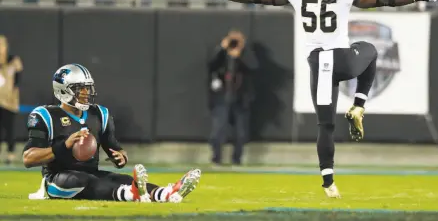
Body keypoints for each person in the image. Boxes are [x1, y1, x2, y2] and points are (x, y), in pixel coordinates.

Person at [206, 0, 438, 198]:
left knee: (325, 126)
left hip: (318, 64)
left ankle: (328, 181)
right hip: (342, 59)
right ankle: (359, 104)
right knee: (370, 50)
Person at [24, 64, 201, 202]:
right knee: (81, 180)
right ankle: (132, 194)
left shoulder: (99, 114)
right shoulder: (45, 116)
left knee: (119, 178)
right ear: (63, 90)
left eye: (87, 87)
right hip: (57, 179)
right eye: (80, 88)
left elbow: (115, 148)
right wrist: (64, 146)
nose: (86, 93)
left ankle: (165, 193)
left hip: (92, 174)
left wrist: (121, 157)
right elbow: (28, 159)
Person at [208, 30, 256, 166]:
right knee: (219, 130)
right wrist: (222, 48)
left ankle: (237, 159)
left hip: (240, 99)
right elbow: (211, 65)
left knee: (240, 132)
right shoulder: (221, 57)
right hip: (222, 98)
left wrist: (241, 52)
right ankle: (216, 158)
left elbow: (253, 67)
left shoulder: (245, 56)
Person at [0, 36, 23, 165]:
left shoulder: (14, 61)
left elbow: (18, 79)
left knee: (9, 128)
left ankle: (10, 154)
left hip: (9, 101)